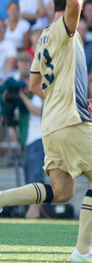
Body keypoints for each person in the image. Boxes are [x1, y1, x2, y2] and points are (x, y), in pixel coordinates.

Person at [0, 0, 92, 263]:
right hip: (70, 121)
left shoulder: (44, 36)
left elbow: (34, 85)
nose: (83, 2)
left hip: (52, 122)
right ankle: (82, 251)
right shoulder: (66, 27)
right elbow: (76, 0)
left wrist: (67, 97)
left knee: (62, 191)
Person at [11, 52, 46, 219]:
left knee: (36, 178)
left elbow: (37, 110)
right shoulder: (26, 98)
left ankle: (35, 211)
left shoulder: (36, 95)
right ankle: (32, 211)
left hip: (37, 140)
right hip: (29, 142)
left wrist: (23, 97)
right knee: (30, 178)